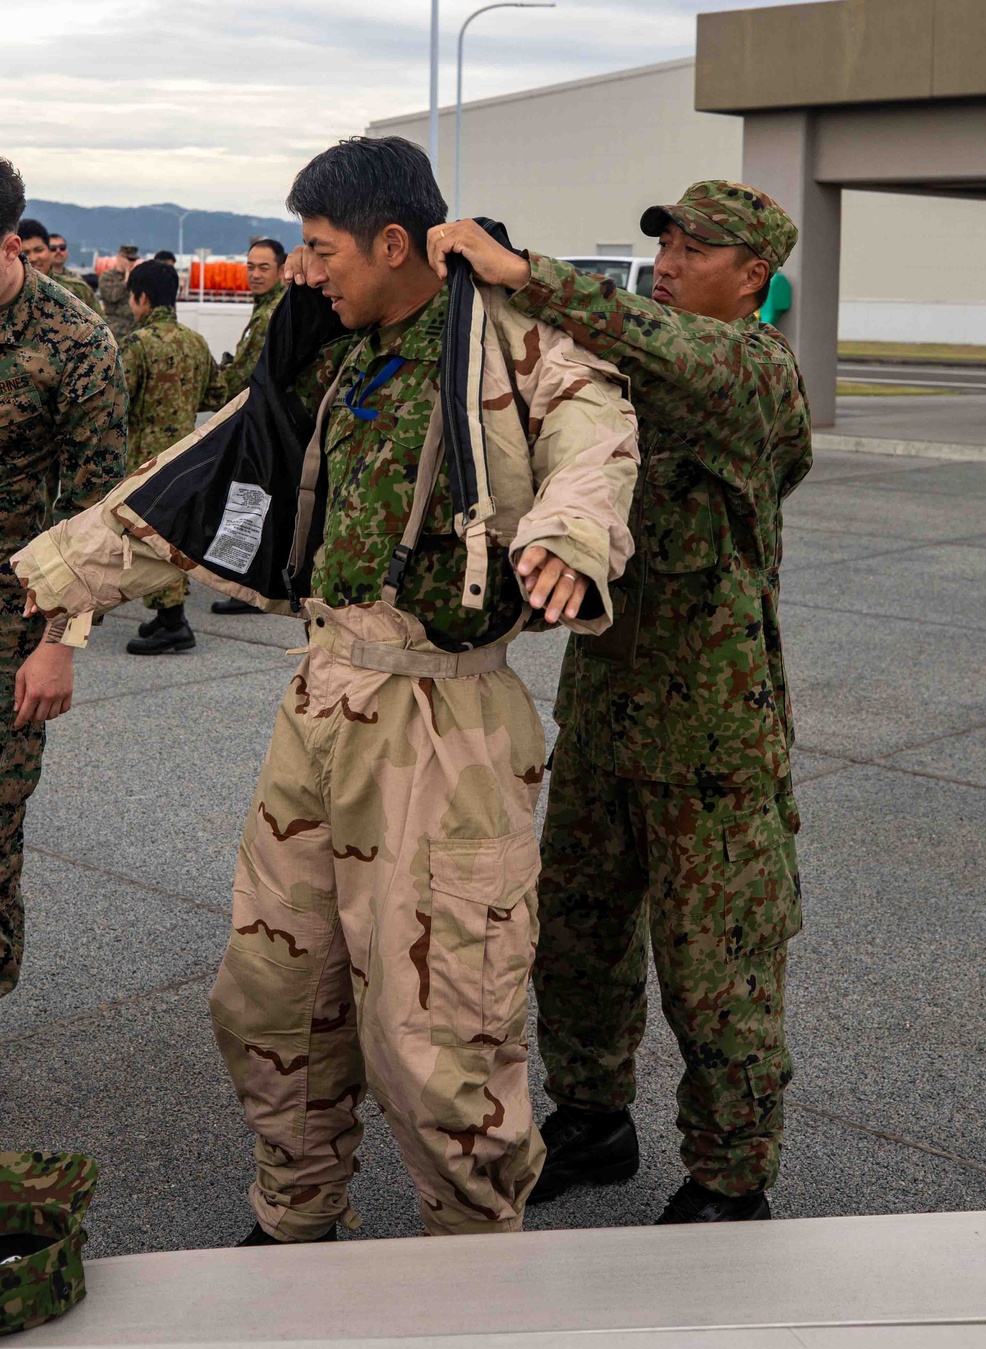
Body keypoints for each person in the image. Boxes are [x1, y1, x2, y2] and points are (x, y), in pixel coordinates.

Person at [13, 135, 639, 1243]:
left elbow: (594, 443)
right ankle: (294, 1219)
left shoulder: (517, 346)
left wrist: (571, 535)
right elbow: (207, 472)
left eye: (318, 248)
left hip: (446, 724)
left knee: (442, 1031)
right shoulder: (335, 353)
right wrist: (60, 574)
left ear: (392, 243)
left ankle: (472, 1249)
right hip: (322, 699)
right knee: (272, 996)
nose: (305, 270)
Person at [430, 180, 811, 1225]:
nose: (674, 262)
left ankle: (732, 1177)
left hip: (713, 742)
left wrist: (526, 276)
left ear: (754, 278)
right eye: (669, 245)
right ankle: (592, 1121)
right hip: (605, 718)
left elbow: (670, 347)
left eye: (698, 251)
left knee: (716, 966)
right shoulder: (631, 380)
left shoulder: (753, 373)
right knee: (579, 939)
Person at [0, 158, 126, 995]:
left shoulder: (74, 341)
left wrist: (60, 644)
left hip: (10, 625)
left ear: (11, 245)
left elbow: (95, 512)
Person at [119, 258, 226, 655]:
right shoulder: (195, 341)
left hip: (145, 460)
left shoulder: (137, 343)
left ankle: (173, 622)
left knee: (150, 541)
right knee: (173, 535)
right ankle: (166, 616)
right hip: (187, 456)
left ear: (142, 298)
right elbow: (217, 395)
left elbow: (117, 402)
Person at [209, 237, 287, 617]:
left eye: (263, 268)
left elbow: (247, 373)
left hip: (262, 422)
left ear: (282, 270)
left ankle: (251, 588)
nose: (255, 275)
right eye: (250, 267)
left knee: (251, 505)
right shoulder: (265, 308)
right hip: (259, 419)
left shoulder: (274, 311)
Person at [16, 219, 102, 315]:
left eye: (39, 250)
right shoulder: (9, 294)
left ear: (49, 250)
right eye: (25, 253)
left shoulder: (78, 290)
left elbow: (101, 327)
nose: (33, 258)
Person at [99, 245, 139, 344]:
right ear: (119, 258)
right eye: (129, 259)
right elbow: (111, 296)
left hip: (134, 328)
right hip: (115, 329)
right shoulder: (107, 277)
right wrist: (126, 281)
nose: (131, 263)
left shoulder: (138, 277)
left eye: (133, 260)